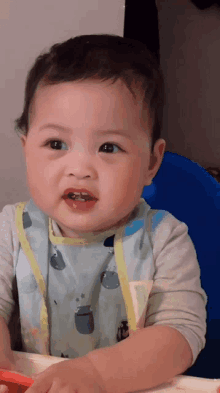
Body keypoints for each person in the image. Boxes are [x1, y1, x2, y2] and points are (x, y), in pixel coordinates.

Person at [0, 34, 207, 393]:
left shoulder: (164, 239)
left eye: (108, 147)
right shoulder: (11, 230)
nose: (79, 168)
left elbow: (181, 334)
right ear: (26, 148)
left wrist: (95, 374)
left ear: (151, 162)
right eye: (56, 144)